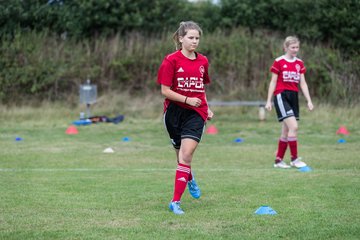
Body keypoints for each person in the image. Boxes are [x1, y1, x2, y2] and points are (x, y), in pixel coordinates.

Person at [157, 21, 214, 215]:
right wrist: (187, 100)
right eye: (191, 37)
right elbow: (165, 91)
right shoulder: (171, 61)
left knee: (186, 155)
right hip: (174, 113)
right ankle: (189, 177)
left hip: (196, 113)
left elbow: (201, 87)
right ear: (181, 38)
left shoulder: (203, 61)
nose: (194, 41)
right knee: (180, 156)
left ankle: (175, 202)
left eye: (197, 38)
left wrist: (207, 107)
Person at [265, 36, 314, 169]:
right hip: (281, 96)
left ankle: (278, 160)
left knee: (286, 131)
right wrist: (269, 100)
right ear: (285, 47)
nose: (295, 50)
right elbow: (273, 82)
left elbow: (303, 83)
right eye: (292, 47)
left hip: (294, 97)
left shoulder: (299, 63)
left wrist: (309, 100)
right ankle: (294, 159)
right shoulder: (279, 61)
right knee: (294, 127)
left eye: (297, 47)